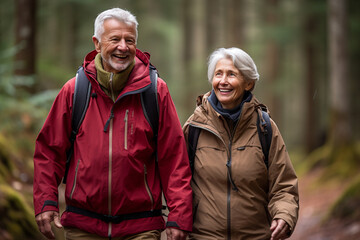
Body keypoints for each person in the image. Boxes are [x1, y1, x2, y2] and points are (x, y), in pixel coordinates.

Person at [33, 8, 192, 240]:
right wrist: (46, 202)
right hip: (83, 226)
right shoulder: (75, 90)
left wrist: (179, 216)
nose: (123, 47)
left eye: (130, 40)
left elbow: (174, 159)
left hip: (141, 227)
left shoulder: (155, 91)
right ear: (97, 44)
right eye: (115, 39)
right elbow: (49, 152)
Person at [183, 47, 299, 240]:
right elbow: (178, 182)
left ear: (248, 83)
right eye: (218, 74)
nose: (223, 81)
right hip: (204, 236)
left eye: (231, 74)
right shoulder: (195, 126)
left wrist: (285, 215)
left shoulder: (265, 128)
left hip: (256, 236)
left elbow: (284, 184)